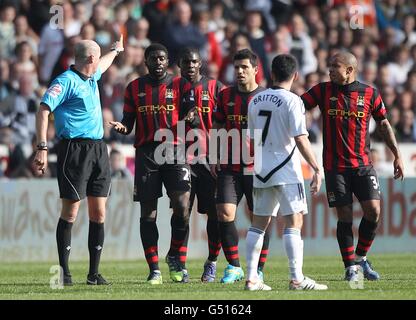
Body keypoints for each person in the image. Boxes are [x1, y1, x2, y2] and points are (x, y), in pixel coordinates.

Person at [301, 51, 404, 282]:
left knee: (374, 210)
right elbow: (297, 107)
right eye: (329, 66)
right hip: (334, 166)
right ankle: (350, 268)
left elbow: (384, 124)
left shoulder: (369, 93)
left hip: (363, 165)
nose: (329, 70)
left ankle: (360, 257)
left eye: (334, 66)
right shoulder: (322, 90)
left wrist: (396, 154)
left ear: (349, 70)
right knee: (344, 215)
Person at [33, 36, 124, 286]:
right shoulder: (65, 81)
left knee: (99, 212)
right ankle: (64, 272)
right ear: (90, 58)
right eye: (97, 57)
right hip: (74, 150)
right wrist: (41, 146)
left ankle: (93, 274)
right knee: (71, 211)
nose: (100, 63)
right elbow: (43, 109)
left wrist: (115, 50)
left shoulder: (92, 76)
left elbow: (103, 64)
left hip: (98, 149)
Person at [109, 43, 194, 284]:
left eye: (162, 58)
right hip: (147, 153)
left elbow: (192, 111)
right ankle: (154, 269)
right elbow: (128, 122)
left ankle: (175, 256)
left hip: (175, 149)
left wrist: (192, 116)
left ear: (168, 62)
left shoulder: (180, 84)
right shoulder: (134, 88)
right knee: (149, 212)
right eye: (154, 58)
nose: (158, 62)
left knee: (182, 204)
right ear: (145, 62)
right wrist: (122, 127)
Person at [244, 54, 328, 291]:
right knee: (294, 220)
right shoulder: (293, 101)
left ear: (271, 74)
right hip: (286, 169)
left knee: (258, 224)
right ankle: (296, 278)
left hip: (261, 169)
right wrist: (316, 167)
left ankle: (251, 279)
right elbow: (301, 138)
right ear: (295, 75)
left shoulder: (255, 100)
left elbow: (251, 138)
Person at [211, 49, 270, 284]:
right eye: (236, 67)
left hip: (259, 168)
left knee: (260, 218)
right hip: (230, 165)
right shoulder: (225, 96)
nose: (240, 71)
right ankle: (234, 266)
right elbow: (216, 126)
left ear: (256, 70)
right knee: (224, 213)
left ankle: (258, 269)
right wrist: (215, 156)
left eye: (244, 67)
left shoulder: (266, 97)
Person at [176, 47, 224, 282]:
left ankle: (212, 262)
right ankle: (181, 266)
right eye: (186, 62)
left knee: (214, 215)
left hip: (209, 160)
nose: (190, 66)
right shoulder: (172, 88)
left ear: (200, 64)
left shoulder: (216, 88)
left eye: (194, 62)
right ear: (180, 65)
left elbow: (226, 121)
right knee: (182, 211)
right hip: (181, 158)